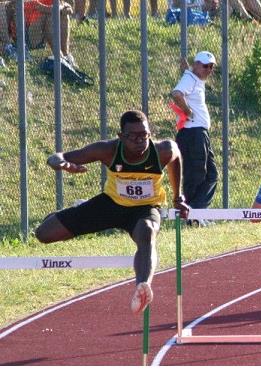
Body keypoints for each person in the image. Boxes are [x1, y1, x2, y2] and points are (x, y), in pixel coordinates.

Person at [35, 110, 190, 315]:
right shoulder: (107, 150)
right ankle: (63, 215)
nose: (139, 140)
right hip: (111, 204)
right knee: (44, 234)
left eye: (144, 135)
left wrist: (178, 196)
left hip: (145, 208)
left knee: (147, 232)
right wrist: (60, 164)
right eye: (132, 136)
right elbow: (58, 157)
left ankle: (142, 287)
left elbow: (176, 156)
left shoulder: (162, 150)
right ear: (121, 136)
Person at [171, 51, 218, 227]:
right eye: (205, 66)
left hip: (199, 134)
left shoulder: (192, 77)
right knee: (196, 174)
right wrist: (188, 111)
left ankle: (196, 213)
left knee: (211, 175)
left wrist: (186, 70)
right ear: (197, 65)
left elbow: (185, 82)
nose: (209, 69)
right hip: (193, 133)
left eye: (211, 67)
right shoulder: (191, 78)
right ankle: (192, 215)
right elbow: (177, 93)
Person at [0, 0, 76, 67]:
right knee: (49, 16)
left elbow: (68, 8)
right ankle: (59, 57)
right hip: (26, 34)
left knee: (63, 15)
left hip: (42, 33)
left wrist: (54, 9)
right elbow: (9, 6)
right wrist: (54, 9)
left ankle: (66, 56)